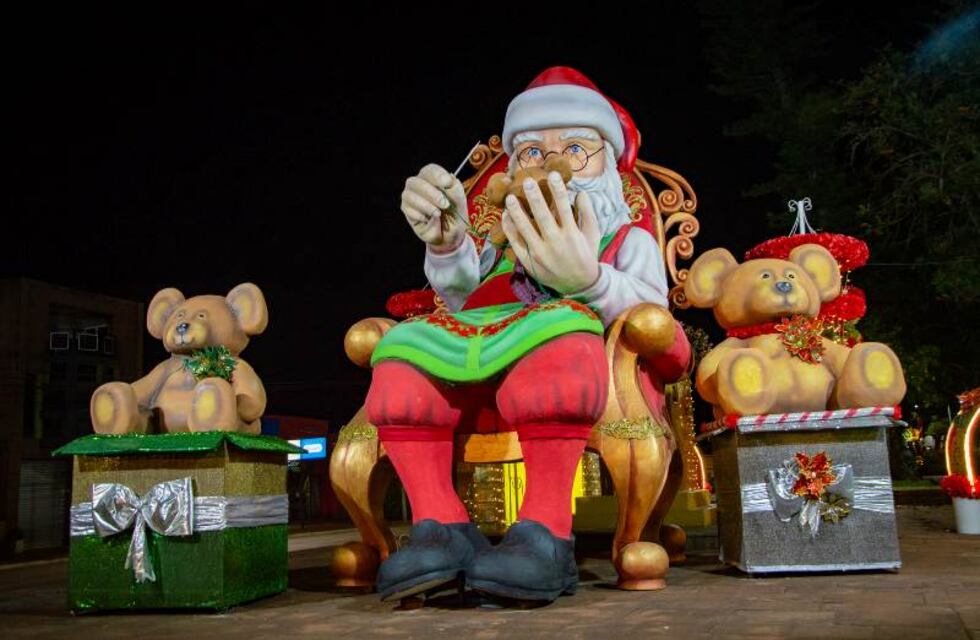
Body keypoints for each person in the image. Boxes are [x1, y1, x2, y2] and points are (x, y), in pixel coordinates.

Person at [367, 66, 683, 603]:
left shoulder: (626, 239)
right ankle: (440, 530)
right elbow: (466, 300)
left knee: (561, 340)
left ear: (606, 162)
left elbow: (654, 315)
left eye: (576, 149)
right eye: (533, 152)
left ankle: (545, 535)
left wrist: (587, 280)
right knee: (399, 363)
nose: (553, 163)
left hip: (578, 367)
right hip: (482, 356)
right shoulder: (502, 245)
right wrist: (447, 245)